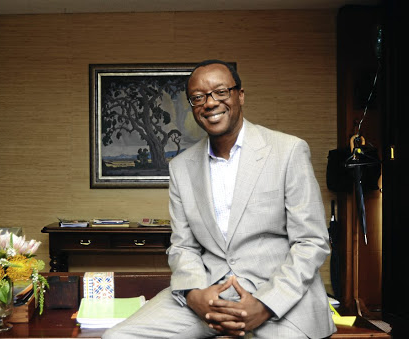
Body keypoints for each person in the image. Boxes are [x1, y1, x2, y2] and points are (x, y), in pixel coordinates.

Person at [103, 60, 336, 339]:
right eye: (198, 97)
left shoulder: (288, 151)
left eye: (220, 92)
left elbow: (311, 241)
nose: (210, 103)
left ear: (240, 95)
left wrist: (265, 305)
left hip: (277, 296)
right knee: (117, 337)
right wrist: (193, 295)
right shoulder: (181, 167)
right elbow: (183, 246)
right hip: (209, 292)